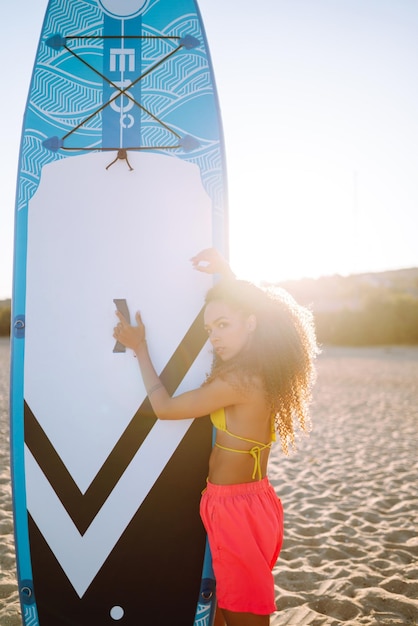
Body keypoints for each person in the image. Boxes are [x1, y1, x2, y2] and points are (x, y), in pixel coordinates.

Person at [113, 248, 318, 626]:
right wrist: (226, 274)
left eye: (223, 325)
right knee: (225, 610)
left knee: (242, 614)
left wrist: (140, 349)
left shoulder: (238, 380)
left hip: (236, 510)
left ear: (252, 323)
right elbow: (246, 307)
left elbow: (165, 407)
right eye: (210, 329)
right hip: (253, 503)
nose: (214, 338)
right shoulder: (263, 369)